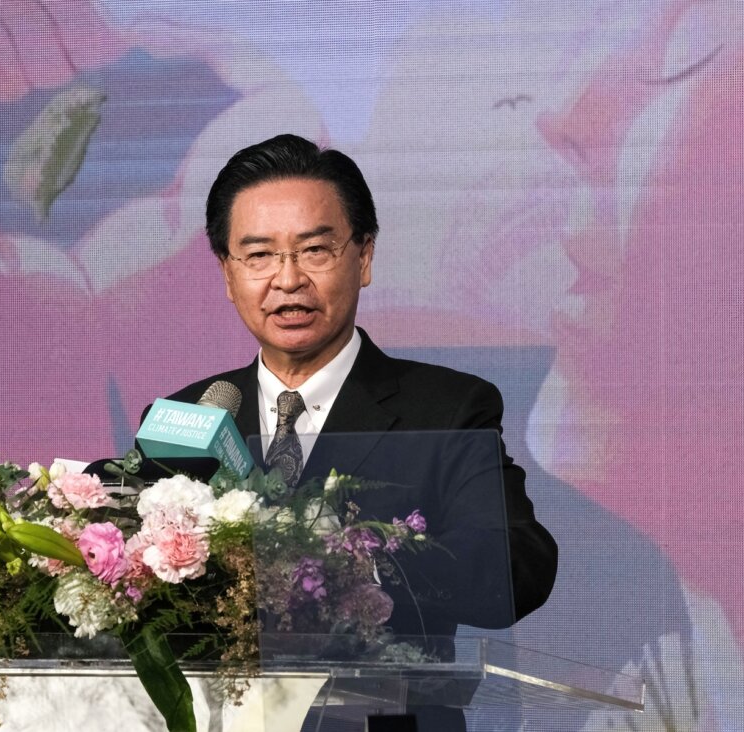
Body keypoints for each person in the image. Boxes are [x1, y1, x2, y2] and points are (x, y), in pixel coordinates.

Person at [163, 134, 559, 731]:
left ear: (364, 257)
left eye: (315, 250)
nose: (288, 279)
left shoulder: (447, 409)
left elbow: (517, 564)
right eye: (259, 255)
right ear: (227, 272)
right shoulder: (188, 414)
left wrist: (359, 567)